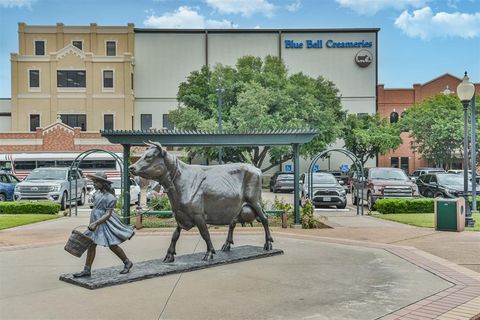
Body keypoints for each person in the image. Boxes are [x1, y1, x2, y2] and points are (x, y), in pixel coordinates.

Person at [73, 171, 134, 277]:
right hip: (95, 222)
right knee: (91, 244)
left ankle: (127, 262)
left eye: (96, 182)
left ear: (103, 183)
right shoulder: (97, 193)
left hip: (105, 223)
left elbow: (108, 214)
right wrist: (93, 223)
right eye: (93, 182)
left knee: (112, 245)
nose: (94, 184)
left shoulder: (110, 197)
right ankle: (87, 269)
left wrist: (96, 223)